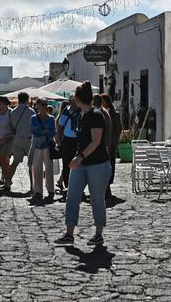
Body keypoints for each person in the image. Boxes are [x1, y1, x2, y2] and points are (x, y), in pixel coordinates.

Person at [56, 81, 112, 247]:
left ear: (80, 99)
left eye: (75, 96)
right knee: (72, 196)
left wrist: (79, 157)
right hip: (81, 163)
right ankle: (69, 233)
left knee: (96, 199)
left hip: (98, 164)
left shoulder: (95, 115)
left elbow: (96, 142)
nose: (73, 99)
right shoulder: (81, 115)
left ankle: (98, 234)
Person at [7, 92, 35, 192]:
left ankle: (7, 182)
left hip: (17, 139)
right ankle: (32, 186)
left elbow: (11, 125)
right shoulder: (31, 111)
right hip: (28, 139)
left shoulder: (13, 112)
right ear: (27, 99)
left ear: (18, 99)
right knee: (31, 164)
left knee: (15, 162)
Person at [30, 98, 56, 204]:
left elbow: (52, 132)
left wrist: (42, 131)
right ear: (38, 106)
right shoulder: (33, 118)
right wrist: (45, 131)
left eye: (45, 104)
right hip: (37, 146)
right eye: (42, 104)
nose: (44, 106)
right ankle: (38, 191)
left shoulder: (51, 118)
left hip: (48, 146)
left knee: (49, 168)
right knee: (37, 169)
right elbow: (33, 131)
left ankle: (50, 190)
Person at [55, 97, 79, 194]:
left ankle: (76, 184)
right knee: (66, 163)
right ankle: (67, 185)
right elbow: (60, 126)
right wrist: (59, 140)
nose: (73, 104)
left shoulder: (81, 111)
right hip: (67, 140)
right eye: (71, 102)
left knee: (77, 163)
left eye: (74, 102)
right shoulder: (66, 111)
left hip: (78, 140)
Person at [101, 94, 122, 199]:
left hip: (111, 144)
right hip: (101, 144)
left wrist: (113, 141)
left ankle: (108, 185)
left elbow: (118, 129)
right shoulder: (99, 113)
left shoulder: (114, 114)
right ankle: (104, 187)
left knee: (111, 165)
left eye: (102, 101)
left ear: (106, 102)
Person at [0, 96, 14, 192]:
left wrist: (4, 139)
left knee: (6, 161)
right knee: (2, 162)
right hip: (0, 139)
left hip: (9, 139)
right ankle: (7, 180)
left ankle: (8, 182)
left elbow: (13, 129)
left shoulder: (10, 113)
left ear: (3, 103)